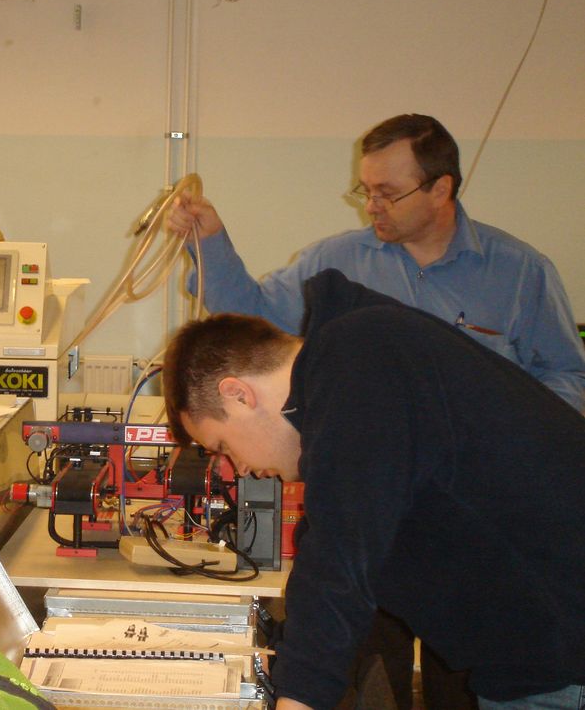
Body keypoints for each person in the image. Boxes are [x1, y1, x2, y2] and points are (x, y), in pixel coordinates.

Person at [167, 113, 585, 707]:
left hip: (559, 652)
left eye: (223, 447)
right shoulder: (345, 302)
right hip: (518, 641)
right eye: (365, 191)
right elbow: (331, 529)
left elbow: (340, 549)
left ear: (239, 394)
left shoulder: (362, 351)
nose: (237, 468)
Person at [167, 114, 585, 412]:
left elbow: (568, 376)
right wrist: (210, 242)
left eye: (388, 193)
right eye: (366, 191)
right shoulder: (333, 264)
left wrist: (515, 432)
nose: (371, 206)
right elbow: (251, 317)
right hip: (365, 471)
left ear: (440, 190)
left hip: (477, 480)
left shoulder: (520, 272)